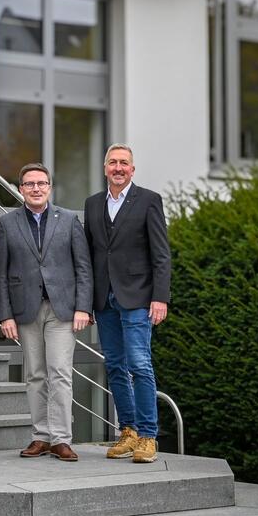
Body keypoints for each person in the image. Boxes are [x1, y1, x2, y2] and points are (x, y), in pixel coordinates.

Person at [0, 162, 93, 462]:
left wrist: (83, 307)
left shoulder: (69, 220)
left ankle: (61, 439)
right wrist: (4, 315)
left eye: (41, 183)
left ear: (49, 187)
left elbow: (83, 267)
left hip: (63, 311)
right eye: (29, 184)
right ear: (20, 188)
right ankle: (40, 437)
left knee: (60, 373)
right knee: (35, 375)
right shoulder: (8, 223)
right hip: (25, 311)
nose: (36, 188)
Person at [83, 143, 171, 464]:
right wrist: (88, 301)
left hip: (138, 297)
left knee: (140, 364)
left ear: (132, 169)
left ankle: (148, 435)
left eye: (124, 163)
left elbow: (161, 255)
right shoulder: (93, 205)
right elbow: (91, 256)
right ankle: (128, 431)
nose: (118, 168)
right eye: (112, 163)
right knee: (115, 366)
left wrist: (160, 296)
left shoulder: (148, 201)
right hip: (105, 299)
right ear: (105, 168)